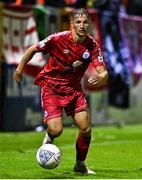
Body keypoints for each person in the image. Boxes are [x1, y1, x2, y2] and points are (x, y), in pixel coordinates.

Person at [14, 8, 108, 174]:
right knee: (57, 130)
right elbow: (32, 49)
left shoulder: (92, 45)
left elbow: (103, 72)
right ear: (72, 24)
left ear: (90, 24)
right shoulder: (57, 39)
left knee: (86, 129)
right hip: (51, 87)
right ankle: (50, 136)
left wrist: (103, 76)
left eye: (85, 22)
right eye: (78, 22)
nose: (82, 25)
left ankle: (80, 165)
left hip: (73, 89)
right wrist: (20, 69)